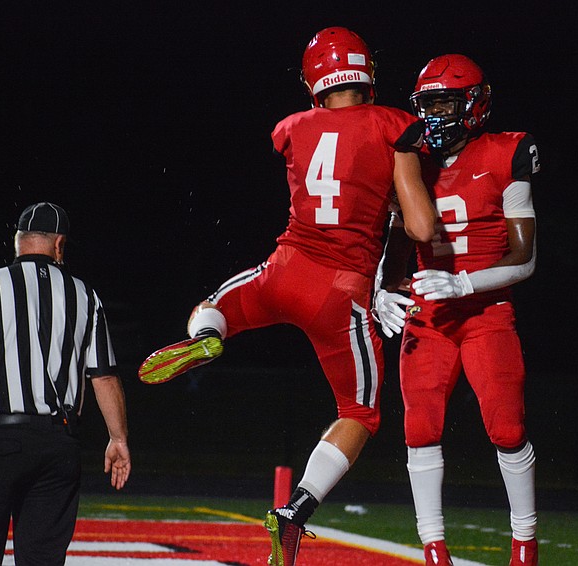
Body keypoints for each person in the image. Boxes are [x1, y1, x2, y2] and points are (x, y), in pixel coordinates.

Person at [139, 27, 436, 566]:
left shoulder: (293, 129)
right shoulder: (394, 125)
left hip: (285, 268)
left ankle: (207, 340)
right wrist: (400, 197)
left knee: (212, 308)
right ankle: (295, 511)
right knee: (360, 412)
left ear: (313, 80)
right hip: (340, 294)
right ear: (366, 72)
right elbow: (419, 226)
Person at [373, 54, 541, 566]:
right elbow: (398, 239)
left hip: (486, 311)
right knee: (419, 427)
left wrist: (466, 281)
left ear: (475, 104)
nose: (436, 115)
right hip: (428, 313)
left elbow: (526, 258)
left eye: (445, 102)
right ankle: (433, 549)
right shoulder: (409, 159)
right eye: (428, 105)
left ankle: (525, 545)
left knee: (507, 429)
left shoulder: (506, 152)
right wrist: (382, 287)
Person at [0, 202, 131, 566]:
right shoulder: (85, 295)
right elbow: (104, 376)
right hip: (59, 445)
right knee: (43, 560)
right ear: (59, 245)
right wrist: (118, 439)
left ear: (18, 241)